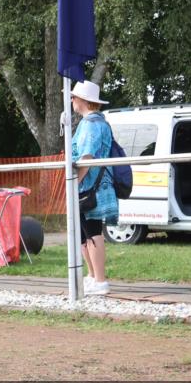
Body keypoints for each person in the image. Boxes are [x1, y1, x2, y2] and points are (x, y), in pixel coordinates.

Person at [70, 80, 117, 296]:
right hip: (93, 185)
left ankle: (100, 280)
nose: (71, 100)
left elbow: (86, 157)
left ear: (83, 100)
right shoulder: (97, 122)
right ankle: (92, 276)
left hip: (90, 186)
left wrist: (74, 182)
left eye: (74, 97)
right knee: (85, 233)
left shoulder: (90, 124)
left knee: (92, 232)